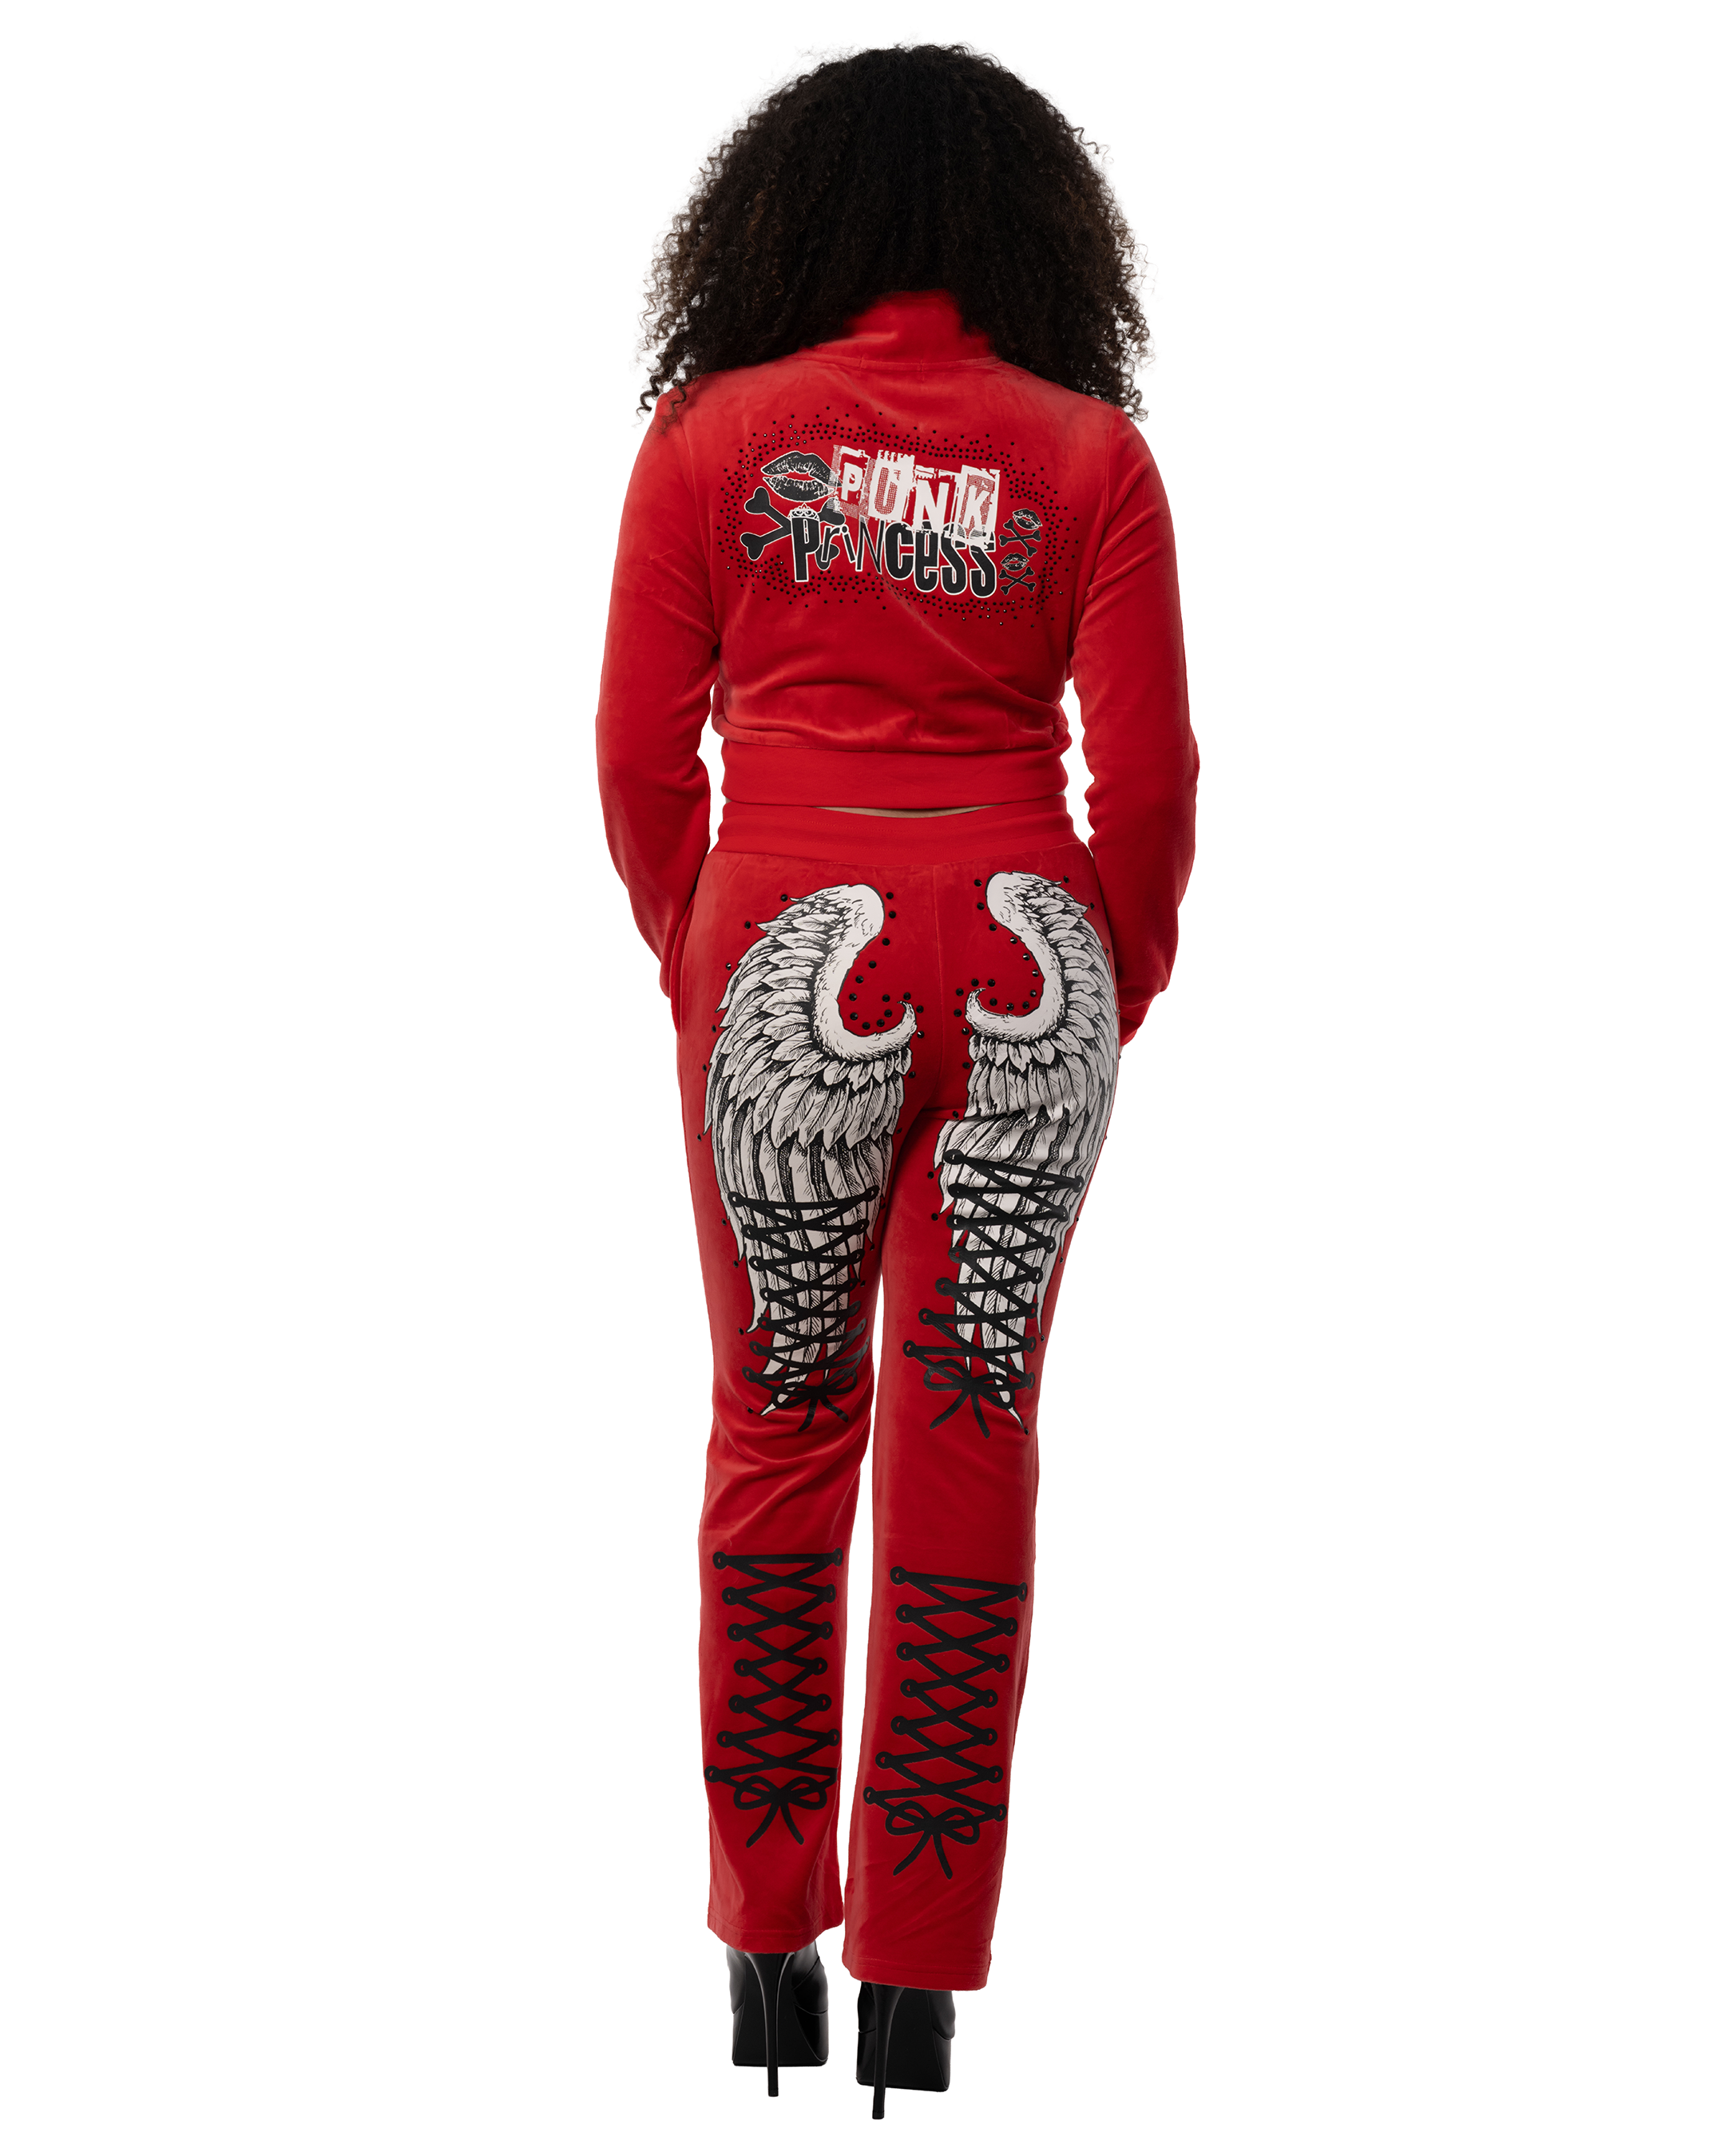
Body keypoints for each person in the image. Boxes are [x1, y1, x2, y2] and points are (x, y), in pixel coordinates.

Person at [595, 42, 1197, 2117]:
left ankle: (768, 1947)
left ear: (779, 222)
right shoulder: (1089, 455)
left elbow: (636, 755)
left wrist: (697, 952)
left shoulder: (710, 439)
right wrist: (1111, 982)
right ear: (1040, 236)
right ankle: (921, 1986)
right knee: (974, 1424)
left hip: (782, 933)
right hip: (1030, 941)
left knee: (778, 1422)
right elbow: (1153, 781)